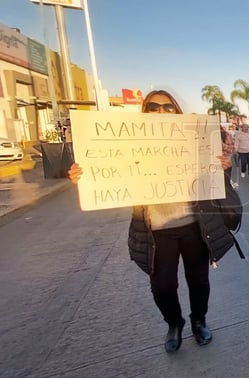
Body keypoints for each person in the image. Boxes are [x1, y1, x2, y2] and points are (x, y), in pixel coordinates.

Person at [68, 90, 235, 353]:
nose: (161, 111)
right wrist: (85, 176)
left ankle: (199, 320)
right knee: (163, 286)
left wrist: (224, 166)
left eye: (168, 107)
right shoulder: (131, 144)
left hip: (194, 226)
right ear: (145, 111)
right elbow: (106, 168)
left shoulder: (194, 139)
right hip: (157, 231)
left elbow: (217, 181)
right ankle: (174, 323)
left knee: (199, 281)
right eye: (154, 106)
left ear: (177, 111)